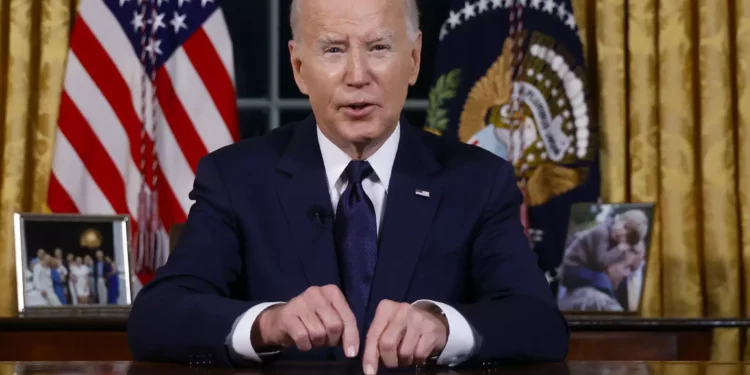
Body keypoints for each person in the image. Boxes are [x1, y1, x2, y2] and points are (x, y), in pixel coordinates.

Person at [127, 0, 568, 371]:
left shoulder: (478, 181)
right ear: (299, 67)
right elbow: (156, 317)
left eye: (378, 47)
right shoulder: (237, 178)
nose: (358, 75)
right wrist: (270, 323)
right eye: (334, 50)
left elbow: (539, 323)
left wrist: (443, 326)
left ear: (413, 59)